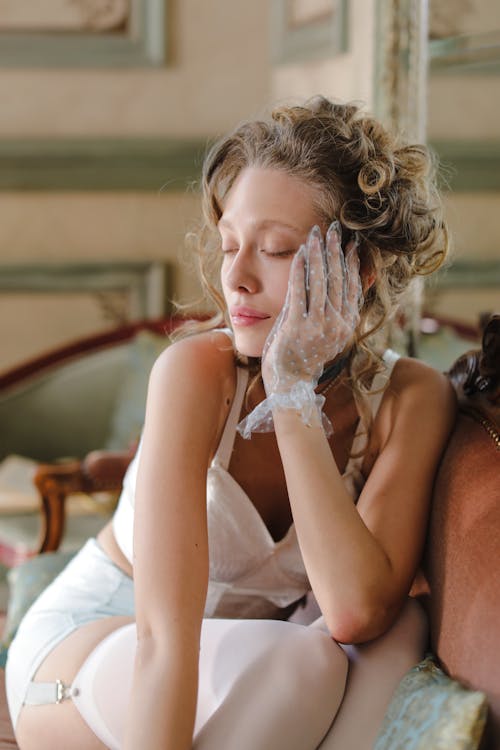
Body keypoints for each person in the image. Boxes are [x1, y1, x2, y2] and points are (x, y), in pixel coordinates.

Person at [6, 95, 455, 750]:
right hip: (98, 653)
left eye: (274, 250)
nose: (236, 279)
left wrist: (292, 390)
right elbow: (164, 639)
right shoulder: (194, 375)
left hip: (261, 670)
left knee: (399, 630)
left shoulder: (413, 397)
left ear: (357, 270)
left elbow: (358, 610)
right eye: (229, 246)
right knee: (308, 661)